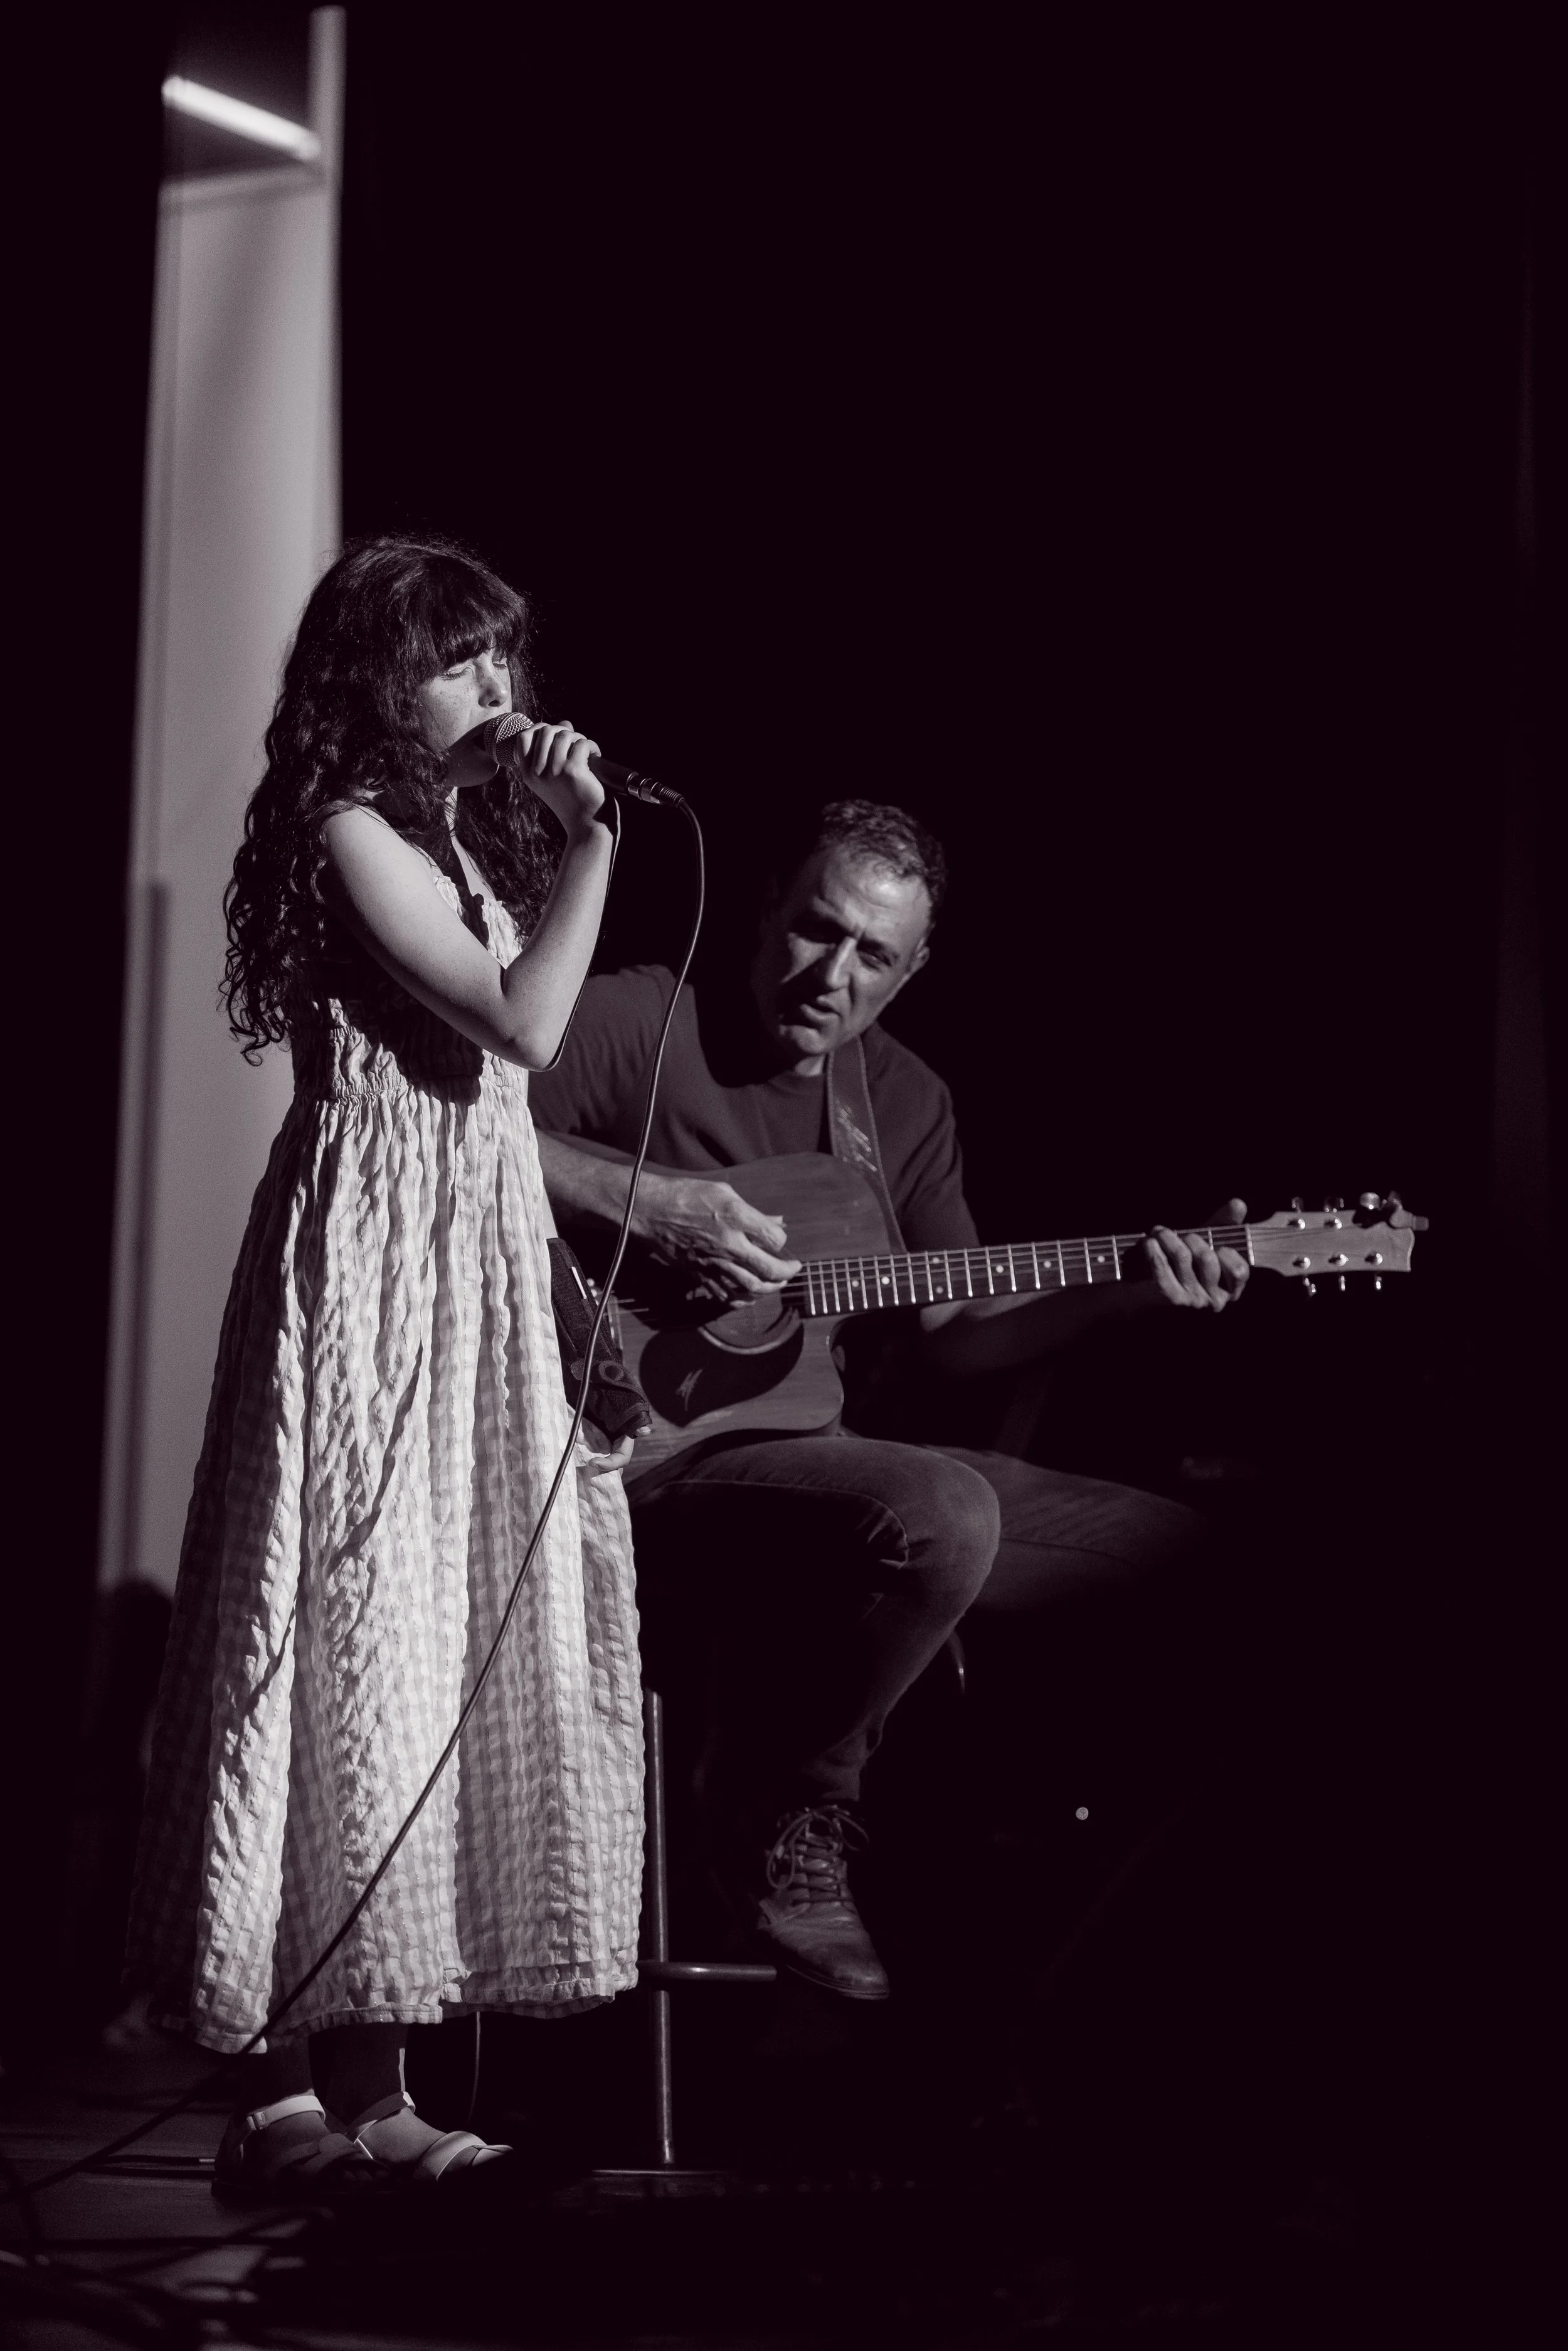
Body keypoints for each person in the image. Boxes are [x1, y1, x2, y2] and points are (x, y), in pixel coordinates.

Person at [529, 800, 1250, 2000]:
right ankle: (780, 1814)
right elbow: (459, 1131)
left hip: (813, 1458)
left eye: (874, 955)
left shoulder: (901, 1102)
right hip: (629, 1460)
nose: (835, 972)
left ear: (915, 969)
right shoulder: (639, 1019)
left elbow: (958, 1334)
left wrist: (1133, 1291)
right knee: (942, 1509)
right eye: (818, 930)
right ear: (767, 909)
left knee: (1187, 1558)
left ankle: (1048, 1954)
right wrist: (652, 1206)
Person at [127, 537, 644, 2195]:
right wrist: (596, 846)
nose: (498, 690)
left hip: (470, 1267)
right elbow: (518, 1027)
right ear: (381, 681)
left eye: (507, 656)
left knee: (420, 1668)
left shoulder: (459, 844)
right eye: (459, 661)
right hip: (369, 1274)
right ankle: (282, 2091)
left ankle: (382, 2075)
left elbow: (502, 1089)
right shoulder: (350, 827)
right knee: (336, 1638)